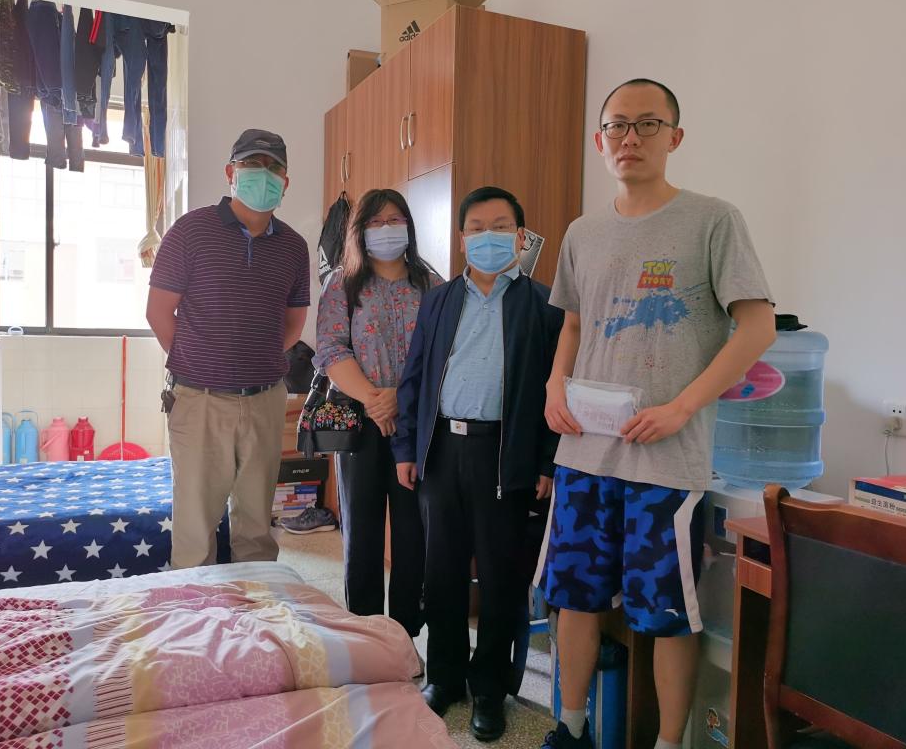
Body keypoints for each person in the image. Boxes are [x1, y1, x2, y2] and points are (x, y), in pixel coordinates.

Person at [538, 79, 776, 749]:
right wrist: (554, 385)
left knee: (666, 614)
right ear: (599, 140)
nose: (630, 138)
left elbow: (757, 327)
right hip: (585, 450)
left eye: (647, 124)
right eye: (617, 125)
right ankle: (571, 728)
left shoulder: (712, 220)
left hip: (666, 462)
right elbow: (574, 325)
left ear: (675, 136)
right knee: (574, 598)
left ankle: (669, 743)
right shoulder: (583, 232)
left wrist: (681, 408)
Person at [393, 186, 563, 743]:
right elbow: (414, 377)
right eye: (477, 227)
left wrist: (546, 461)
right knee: (440, 570)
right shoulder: (439, 300)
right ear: (463, 238)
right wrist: (406, 449)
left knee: (500, 575)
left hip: (505, 454)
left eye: (501, 226)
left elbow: (553, 390)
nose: (488, 236)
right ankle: (444, 677)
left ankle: (490, 687)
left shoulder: (544, 305)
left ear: (521, 236)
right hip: (442, 449)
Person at [147, 129, 309, 570]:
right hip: (198, 400)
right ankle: (194, 613)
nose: (263, 174)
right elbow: (159, 312)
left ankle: (255, 608)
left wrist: (251, 359)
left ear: (285, 182)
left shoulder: (294, 247)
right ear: (230, 172)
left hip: (265, 400)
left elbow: (293, 324)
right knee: (196, 532)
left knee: (257, 529)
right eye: (252, 164)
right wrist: (203, 360)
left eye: (273, 167)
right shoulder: (190, 231)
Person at [310, 188, 440, 639]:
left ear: (409, 226)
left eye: (394, 220)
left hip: (416, 426)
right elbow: (330, 349)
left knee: (412, 536)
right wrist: (375, 399)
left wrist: (400, 400)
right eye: (375, 222)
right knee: (362, 536)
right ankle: (365, 638)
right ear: (360, 231)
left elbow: (443, 353)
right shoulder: (342, 284)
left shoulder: (431, 285)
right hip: (359, 426)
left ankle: (404, 640)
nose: (386, 229)